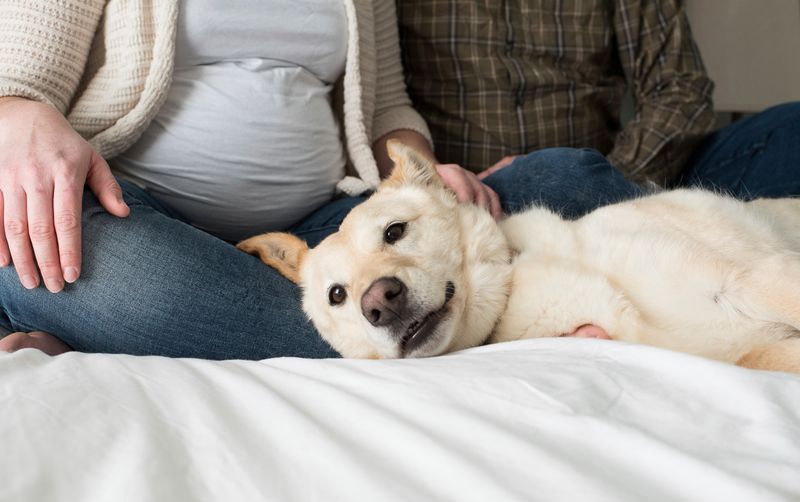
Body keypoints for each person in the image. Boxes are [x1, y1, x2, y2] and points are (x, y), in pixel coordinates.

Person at [0, 0, 644, 359]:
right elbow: (13, 92)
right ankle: (457, 314)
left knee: (568, 178)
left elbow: (387, 107)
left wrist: (423, 177)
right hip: (131, 214)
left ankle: (142, 329)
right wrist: (20, 112)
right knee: (112, 272)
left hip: (326, 250)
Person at [397, 0, 800, 199]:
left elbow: (680, 91)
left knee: (791, 131)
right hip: (468, 200)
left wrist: (598, 182)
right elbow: (376, 104)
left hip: (615, 179)